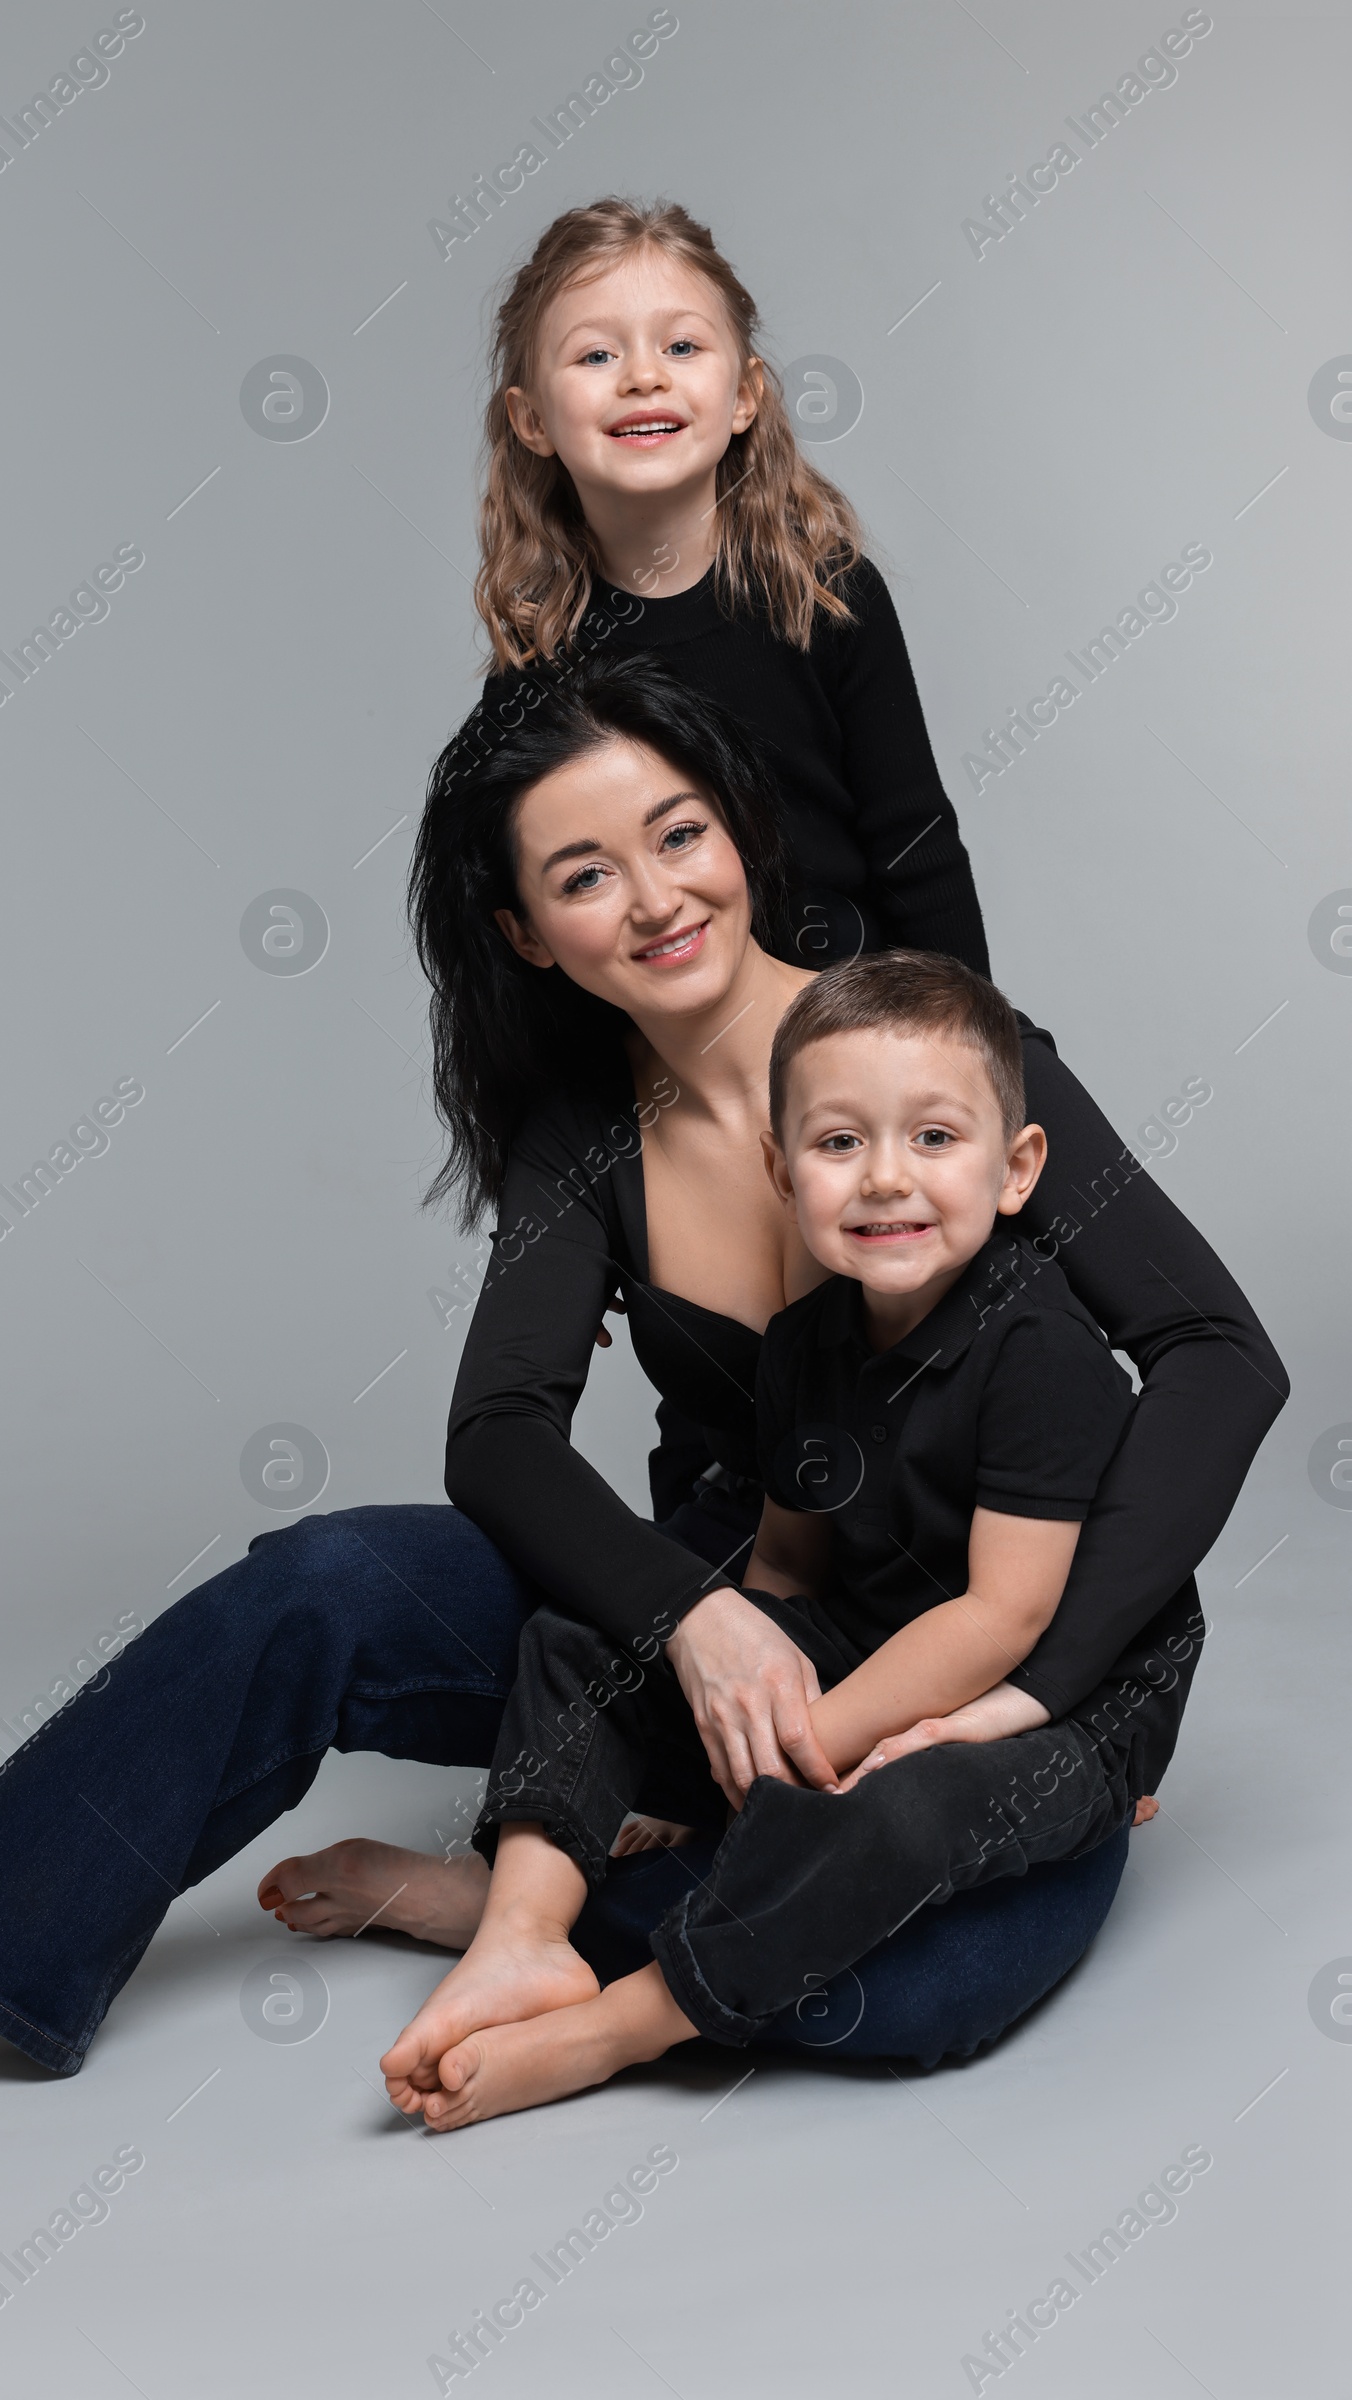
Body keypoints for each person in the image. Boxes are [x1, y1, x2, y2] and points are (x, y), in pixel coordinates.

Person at [0, 659, 1280, 2097]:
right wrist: (699, 1623)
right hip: (736, 1600)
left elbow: (1220, 1359)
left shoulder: (938, 1049)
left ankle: (510, 1898)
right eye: (584, 874)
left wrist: (1038, 1684)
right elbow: (498, 1439)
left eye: (678, 833)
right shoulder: (583, 1137)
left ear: (741, 829)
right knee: (322, 1582)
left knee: (912, 1992)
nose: (655, 895)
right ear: (528, 934)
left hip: (986, 1648)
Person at [380, 952, 1153, 2128]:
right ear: (780, 1172)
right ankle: (518, 1929)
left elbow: (1006, 1615)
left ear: (1017, 1170)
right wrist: (718, 1713)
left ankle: (618, 2028)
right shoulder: (804, 1345)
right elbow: (787, 1567)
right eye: (839, 1144)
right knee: (590, 1636)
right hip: (871, 1633)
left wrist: (807, 1751)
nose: (885, 1180)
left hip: (1041, 1700)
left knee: (888, 1823)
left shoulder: (1035, 1349)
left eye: (934, 1140)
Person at [458, 191, 992, 1514]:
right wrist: (549, 1218)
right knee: (747, 1381)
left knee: (915, 1336)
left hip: (854, 1034)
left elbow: (915, 839)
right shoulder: (541, 679)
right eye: (595, 354)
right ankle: (722, 1526)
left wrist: (978, 1069)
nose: (644, 376)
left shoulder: (821, 588)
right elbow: (518, 958)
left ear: (747, 394)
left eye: (681, 347)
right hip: (676, 1082)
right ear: (532, 420)